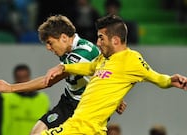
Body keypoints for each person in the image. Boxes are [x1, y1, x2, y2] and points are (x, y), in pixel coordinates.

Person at [40, 14, 187, 135]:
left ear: (115, 40)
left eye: (101, 38)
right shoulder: (103, 58)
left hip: (83, 128)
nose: (98, 42)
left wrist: (170, 80)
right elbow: (89, 67)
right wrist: (63, 67)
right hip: (86, 128)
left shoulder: (132, 59)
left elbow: (157, 78)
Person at [0, 15, 127, 135]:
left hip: (88, 111)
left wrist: (10, 88)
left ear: (63, 37)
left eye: (50, 43)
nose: (48, 48)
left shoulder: (82, 53)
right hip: (68, 103)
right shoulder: (69, 50)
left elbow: (48, 82)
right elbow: (100, 75)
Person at [1, 64, 50, 135]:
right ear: (15, 78)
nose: (22, 81)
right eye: (19, 78)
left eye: (25, 77)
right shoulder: (6, 97)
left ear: (29, 77)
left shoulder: (43, 99)